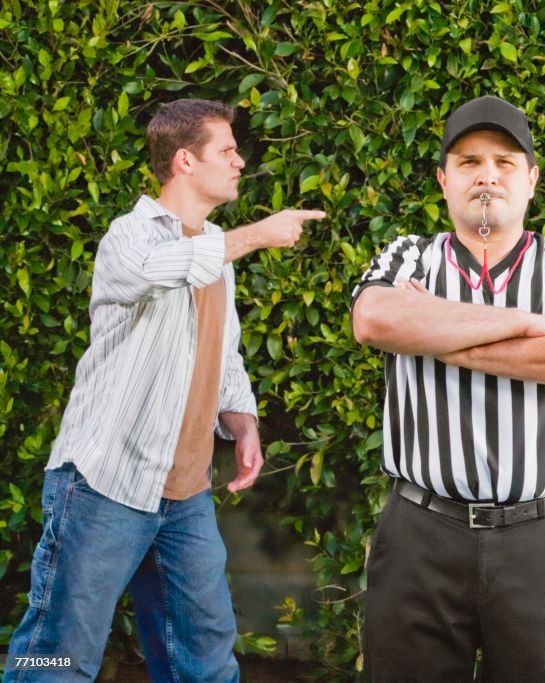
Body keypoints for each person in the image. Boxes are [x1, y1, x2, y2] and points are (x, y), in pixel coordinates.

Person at [3, 98, 325, 683]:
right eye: (226, 150)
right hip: (105, 484)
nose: (239, 162)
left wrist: (243, 420)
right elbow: (161, 269)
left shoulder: (218, 251)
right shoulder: (128, 237)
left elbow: (222, 354)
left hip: (185, 494)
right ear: (184, 160)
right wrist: (256, 235)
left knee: (203, 661)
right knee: (58, 654)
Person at [352, 95, 545, 682]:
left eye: (505, 162)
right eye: (468, 162)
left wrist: (437, 329)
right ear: (443, 180)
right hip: (419, 535)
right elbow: (376, 321)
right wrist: (530, 325)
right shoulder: (408, 256)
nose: (487, 175)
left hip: (541, 539)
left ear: (532, 180)